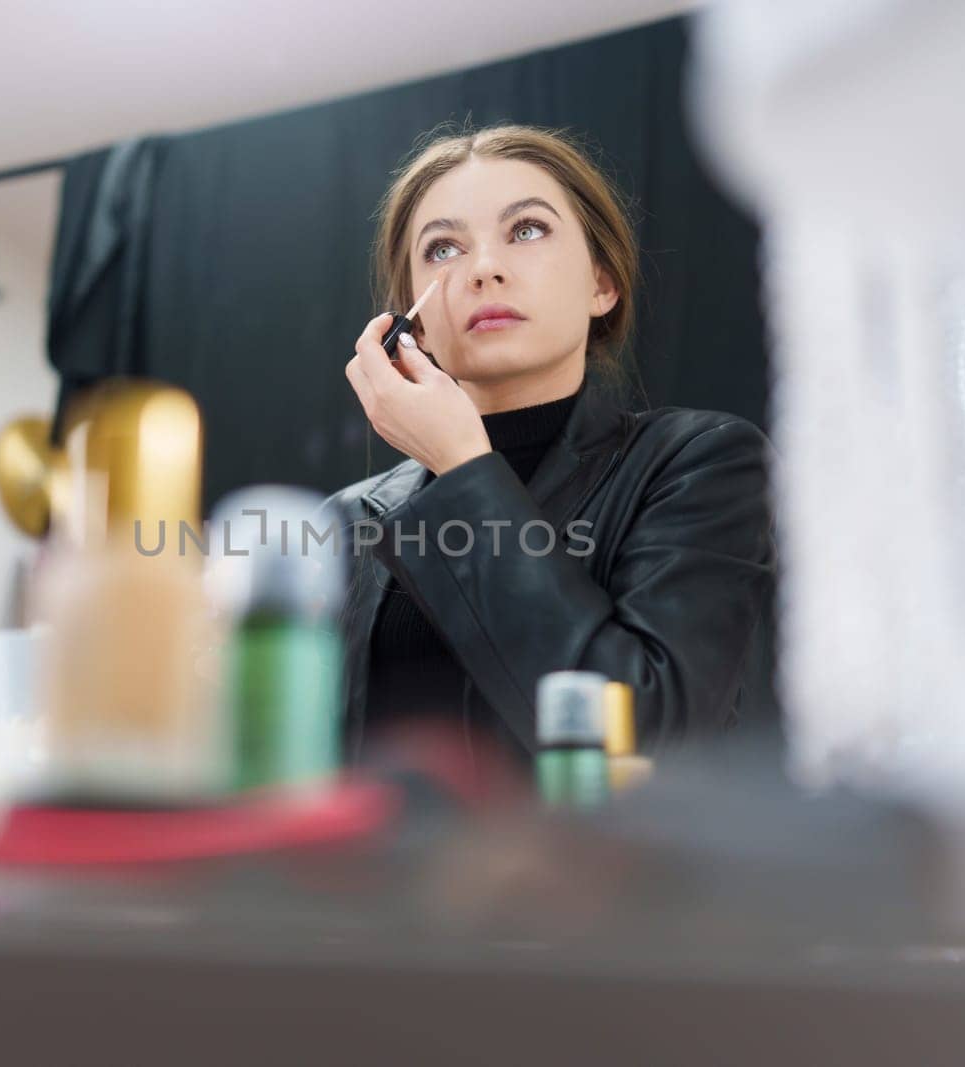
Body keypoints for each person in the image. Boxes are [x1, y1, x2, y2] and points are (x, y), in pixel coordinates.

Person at [322, 124, 777, 772]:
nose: (484, 268)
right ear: (410, 320)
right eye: (444, 248)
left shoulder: (701, 463)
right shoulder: (347, 521)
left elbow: (648, 732)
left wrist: (464, 469)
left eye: (527, 230)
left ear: (602, 283)